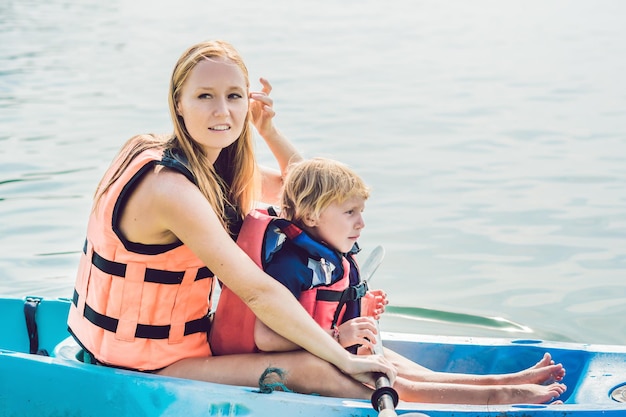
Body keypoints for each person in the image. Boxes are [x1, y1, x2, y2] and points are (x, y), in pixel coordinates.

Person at [66, 39, 397, 398]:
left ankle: (465, 399)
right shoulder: (167, 187)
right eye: (205, 96)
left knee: (384, 364)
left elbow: (308, 194)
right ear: (178, 103)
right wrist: (343, 359)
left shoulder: (210, 167)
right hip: (143, 365)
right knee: (322, 368)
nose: (222, 110)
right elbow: (257, 292)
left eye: (234, 96)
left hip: (188, 349)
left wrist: (268, 131)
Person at [210, 157, 568, 405]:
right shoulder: (291, 266)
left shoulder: (325, 257)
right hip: (291, 358)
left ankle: (503, 381)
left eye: (361, 212)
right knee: (396, 380)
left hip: (323, 348)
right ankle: (500, 397)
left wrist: (354, 318)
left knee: (403, 367)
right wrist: (339, 337)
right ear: (311, 214)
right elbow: (266, 337)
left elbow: (322, 307)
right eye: (350, 213)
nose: (361, 224)